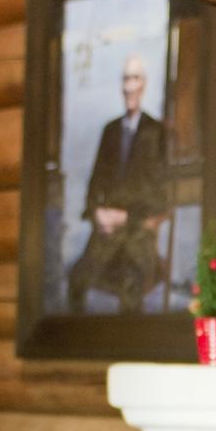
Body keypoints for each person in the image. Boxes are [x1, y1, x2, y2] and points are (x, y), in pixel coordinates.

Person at [66, 54, 168, 314]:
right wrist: (98, 213)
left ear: (143, 84)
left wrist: (126, 217)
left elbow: (159, 194)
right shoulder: (110, 131)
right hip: (106, 234)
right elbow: (95, 182)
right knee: (76, 278)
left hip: (137, 234)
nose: (129, 86)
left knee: (130, 284)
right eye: (125, 79)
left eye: (135, 78)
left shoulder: (156, 132)